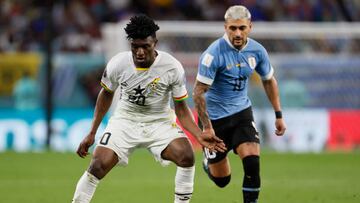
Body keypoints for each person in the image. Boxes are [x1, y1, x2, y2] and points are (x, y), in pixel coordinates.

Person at [71, 14, 226, 203]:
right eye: (135, 47)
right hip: (125, 121)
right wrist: (92, 132)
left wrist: (198, 134)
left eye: (146, 46)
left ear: (155, 43)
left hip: (159, 122)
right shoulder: (118, 63)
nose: (140, 52)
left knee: (186, 156)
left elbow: (182, 109)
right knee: (97, 165)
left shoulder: (172, 67)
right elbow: (106, 94)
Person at [192, 5, 286, 203]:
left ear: (250, 27)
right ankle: (209, 164)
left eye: (242, 28)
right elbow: (198, 92)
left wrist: (278, 114)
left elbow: (269, 80)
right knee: (222, 180)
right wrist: (206, 127)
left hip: (242, 112)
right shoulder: (213, 54)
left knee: (252, 161)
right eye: (233, 28)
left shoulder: (257, 51)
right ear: (225, 27)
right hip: (214, 119)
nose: (237, 33)